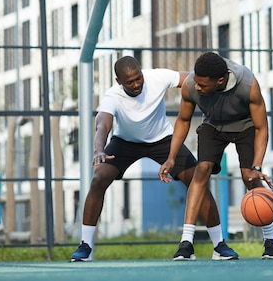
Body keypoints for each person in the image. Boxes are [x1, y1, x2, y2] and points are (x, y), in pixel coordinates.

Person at [71, 56, 238, 262]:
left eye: (138, 78)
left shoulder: (157, 77)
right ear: (118, 82)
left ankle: (219, 245)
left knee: (198, 180)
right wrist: (99, 149)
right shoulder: (111, 96)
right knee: (98, 178)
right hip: (125, 142)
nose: (136, 84)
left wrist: (219, 91)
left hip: (162, 140)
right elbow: (102, 125)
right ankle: (85, 245)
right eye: (129, 82)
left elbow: (193, 80)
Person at [159, 51, 273, 260]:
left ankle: (270, 240)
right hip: (213, 125)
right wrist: (171, 157)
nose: (197, 87)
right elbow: (183, 121)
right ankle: (186, 243)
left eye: (203, 85)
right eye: (196, 82)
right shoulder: (191, 85)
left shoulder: (248, 84)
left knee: (248, 177)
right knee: (202, 169)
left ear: (220, 81)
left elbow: (262, 128)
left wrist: (257, 167)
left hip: (246, 126)